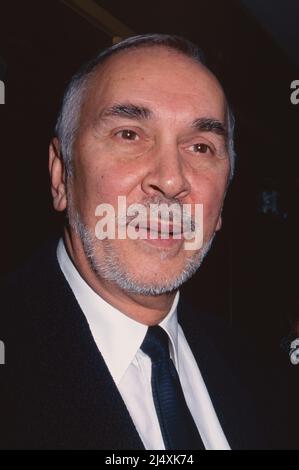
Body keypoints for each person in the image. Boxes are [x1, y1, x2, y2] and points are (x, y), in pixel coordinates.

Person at [0, 34, 286, 450]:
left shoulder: (260, 373)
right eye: (129, 135)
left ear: (221, 203)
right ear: (61, 174)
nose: (171, 180)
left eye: (201, 146)